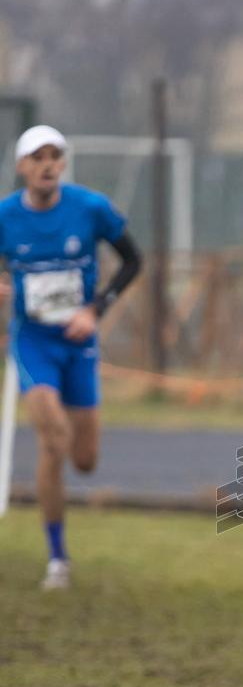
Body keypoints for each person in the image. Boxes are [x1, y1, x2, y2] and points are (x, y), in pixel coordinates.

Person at [0, 125, 142, 589]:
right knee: (52, 439)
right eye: (37, 156)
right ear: (21, 166)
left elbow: (133, 260)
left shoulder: (90, 208)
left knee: (83, 459)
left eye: (55, 156)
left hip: (79, 344)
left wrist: (95, 309)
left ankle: (59, 550)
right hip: (32, 342)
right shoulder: (5, 216)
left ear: (62, 163)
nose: (47, 165)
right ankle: (57, 557)